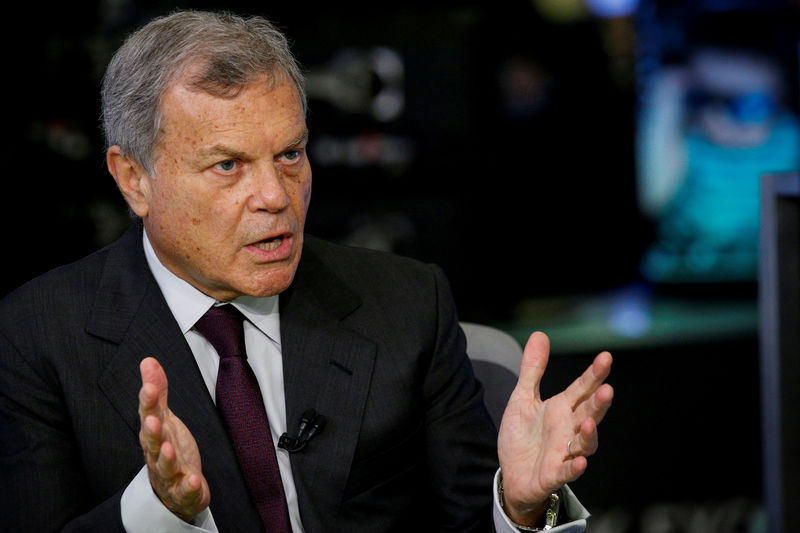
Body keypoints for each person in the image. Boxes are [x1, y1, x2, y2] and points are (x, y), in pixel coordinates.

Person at [0, 10, 613, 533]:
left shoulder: (405, 302)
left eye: (290, 154)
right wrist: (158, 510)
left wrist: (522, 507)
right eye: (228, 165)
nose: (275, 195)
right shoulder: (38, 336)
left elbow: (470, 522)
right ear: (134, 179)